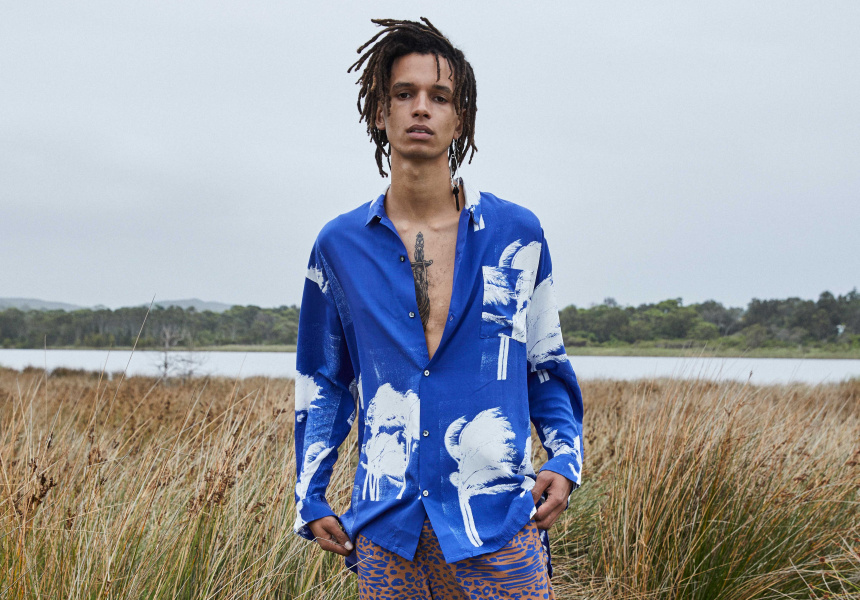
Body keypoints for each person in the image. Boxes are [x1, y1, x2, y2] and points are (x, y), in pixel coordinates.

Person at [293, 17, 584, 599]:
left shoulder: (516, 235)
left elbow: (545, 364)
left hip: (497, 524)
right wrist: (311, 494)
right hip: (387, 529)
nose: (421, 108)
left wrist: (564, 458)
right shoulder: (338, 247)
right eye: (404, 94)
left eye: (439, 96)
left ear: (460, 117)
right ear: (381, 112)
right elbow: (323, 379)